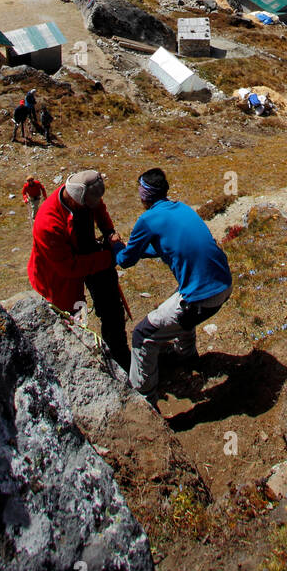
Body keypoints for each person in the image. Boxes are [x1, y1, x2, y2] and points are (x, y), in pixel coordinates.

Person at [113, 168, 232, 406]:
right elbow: (164, 246)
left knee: (142, 334)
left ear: (145, 194)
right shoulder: (182, 207)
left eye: (140, 190)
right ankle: (187, 358)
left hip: (201, 298)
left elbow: (126, 260)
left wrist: (115, 247)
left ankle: (143, 399)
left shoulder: (147, 219)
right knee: (180, 305)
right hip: (224, 284)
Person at [28, 170, 129, 371]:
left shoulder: (82, 196)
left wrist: (109, 232)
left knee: (112, 310)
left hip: (90, 255)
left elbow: (99, 209)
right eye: (89, 205)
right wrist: (108, 257)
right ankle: (75, 365)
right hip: (58, 277)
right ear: (77, 201)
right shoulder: (48, 223)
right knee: (70, 318)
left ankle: (119, 356)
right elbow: (68, 267)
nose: (95, 205)